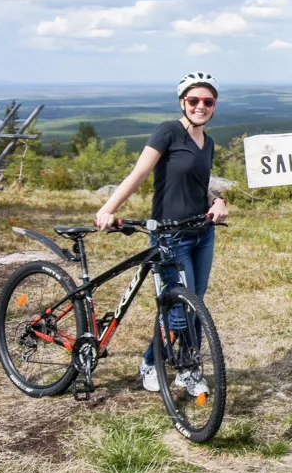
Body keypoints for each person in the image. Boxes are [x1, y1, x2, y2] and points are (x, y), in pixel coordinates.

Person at [95, 72, 228, 394]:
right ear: (183, 102)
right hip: (170, 235)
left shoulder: (206, 142)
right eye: (194, 100)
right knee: (181, 308)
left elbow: (200, 186)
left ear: (214, 105)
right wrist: (107, 209)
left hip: (201, 232)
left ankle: (173, 365)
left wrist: (219, 200)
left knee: (193, 304)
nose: (200, 106)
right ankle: (169, 365)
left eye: (207, 101)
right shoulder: (168, 132)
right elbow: (139, 173)